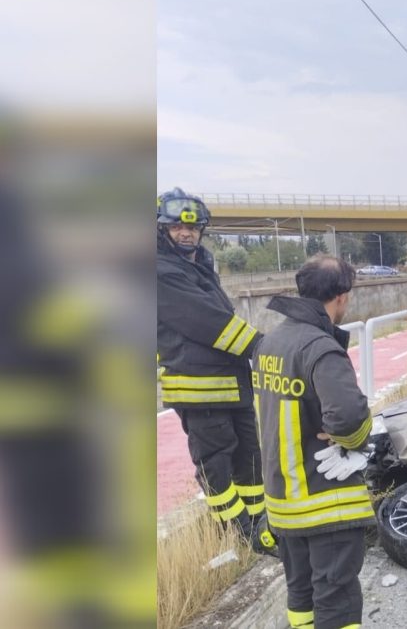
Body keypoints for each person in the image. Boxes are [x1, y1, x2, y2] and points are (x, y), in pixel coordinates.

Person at [252, 255, 374, 629]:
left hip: (284, 503)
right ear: (342, 296)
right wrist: (351, 441)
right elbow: (350, 417)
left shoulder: (270, 343)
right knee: (336, 602)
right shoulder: (320, 347)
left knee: (301, 596)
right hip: (325, 503)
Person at [156, 187, 274, 554]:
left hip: (232, 382)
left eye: (193, 228)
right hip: (200, 388)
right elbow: (209, 322)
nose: (186, 233)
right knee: (217, 467)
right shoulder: (160, 271)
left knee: (250, 458)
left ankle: (259, 525)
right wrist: (263, 347)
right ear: (161, 229)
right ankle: (237, 531)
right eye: (176, 227)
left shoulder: (197, 265)